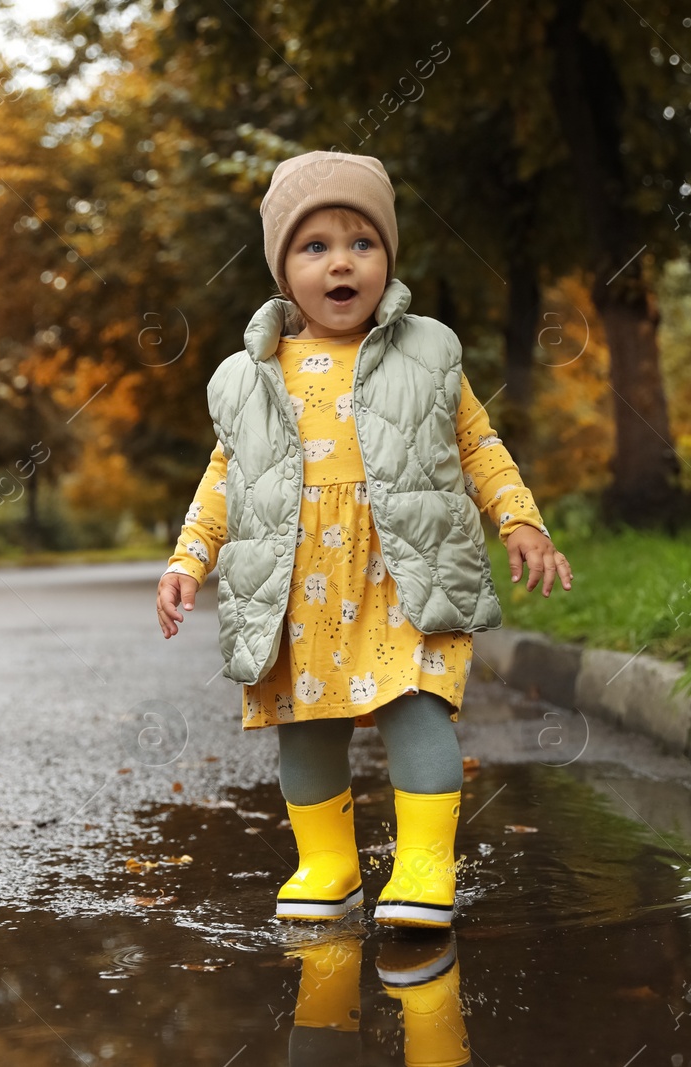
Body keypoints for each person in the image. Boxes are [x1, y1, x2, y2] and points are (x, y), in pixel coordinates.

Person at [156, 150, 572, 928]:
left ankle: (422, 861)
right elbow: (226, 477)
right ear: (285, 272)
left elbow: (476, 443)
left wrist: (519, 518)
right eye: (316, 247)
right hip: (294, 581)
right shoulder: (249, 375)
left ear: (387, 258)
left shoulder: (428, 351)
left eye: (362, 243)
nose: (341, 262)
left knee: (416, 708)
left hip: (401, 569)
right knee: (306, 728)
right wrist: (189, 557)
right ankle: (327, 862)